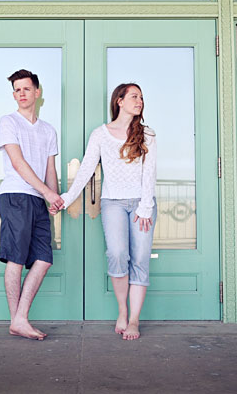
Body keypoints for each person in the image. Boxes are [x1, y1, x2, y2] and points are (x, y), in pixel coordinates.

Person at [55, 83, 157, 340]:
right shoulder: (100, 134)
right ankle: (122, 310)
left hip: (142, 205)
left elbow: (150, 173)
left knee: (141, 260)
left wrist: (145, 207)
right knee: (117, 254)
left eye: (142, 97)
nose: (140, 101)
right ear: (119, 101)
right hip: (112, 203)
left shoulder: (147, 134)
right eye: (134, 96)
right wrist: (67, 198)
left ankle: (134, 320)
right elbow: (87, 168)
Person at [0, 69, 64, 340]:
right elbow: (18, 162)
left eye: (26, 88)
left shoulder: (48, 130)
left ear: (37, 92)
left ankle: (19, 319)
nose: (21, 94)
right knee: (16, 258)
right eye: (16, 90)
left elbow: (51, 168)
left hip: (38, 199)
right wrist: (47, 192)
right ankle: (19, 320)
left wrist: (54, 198)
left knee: (44, 259)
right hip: (15, 195)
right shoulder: (8, 121)